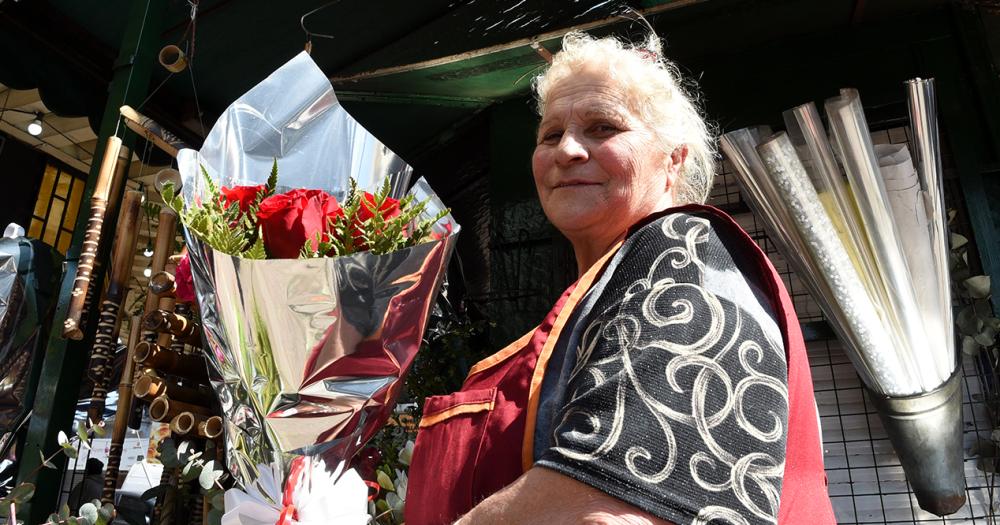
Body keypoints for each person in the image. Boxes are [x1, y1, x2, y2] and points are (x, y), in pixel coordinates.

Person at [406, 30, 835, 525]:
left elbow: (608, 511)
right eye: (549, 134)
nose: (567, 149)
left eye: (603, 127)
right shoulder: (601, 291)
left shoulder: (683, 255)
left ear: (673, 159)